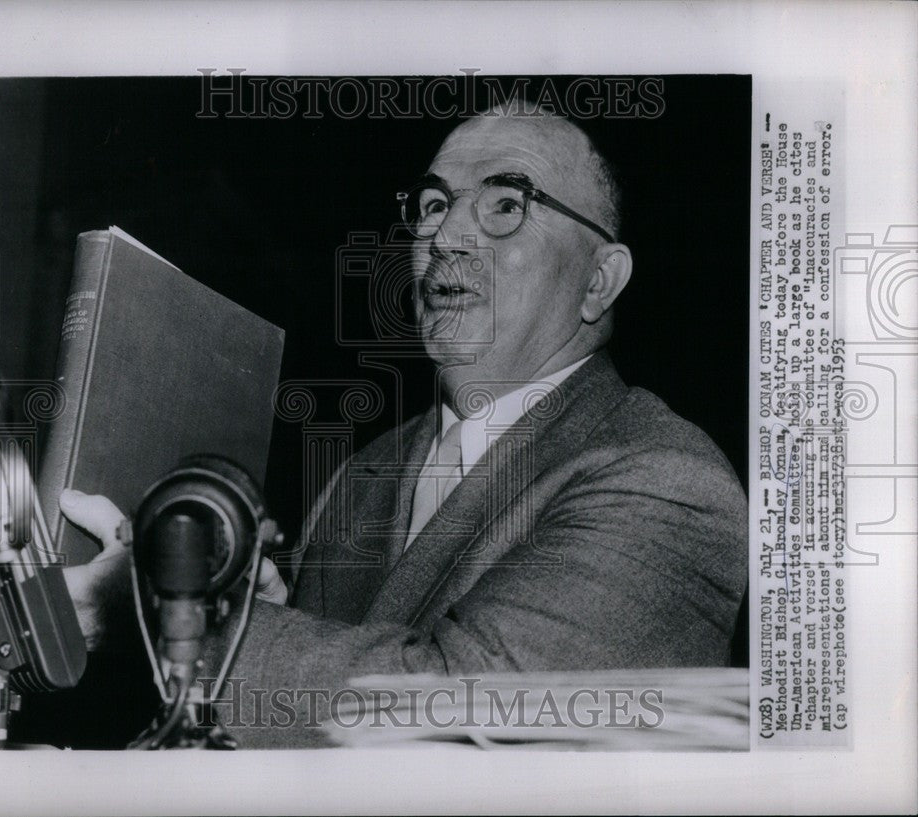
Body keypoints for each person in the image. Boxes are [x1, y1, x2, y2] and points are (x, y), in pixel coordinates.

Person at [60, 109, 748, 747]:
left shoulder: (667, 479)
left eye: (506, 204)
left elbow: (459, 714)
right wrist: (250, 601)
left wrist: (160, 608)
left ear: (599, 280)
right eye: (434, 204)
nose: (445, 236)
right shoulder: (370, 468)